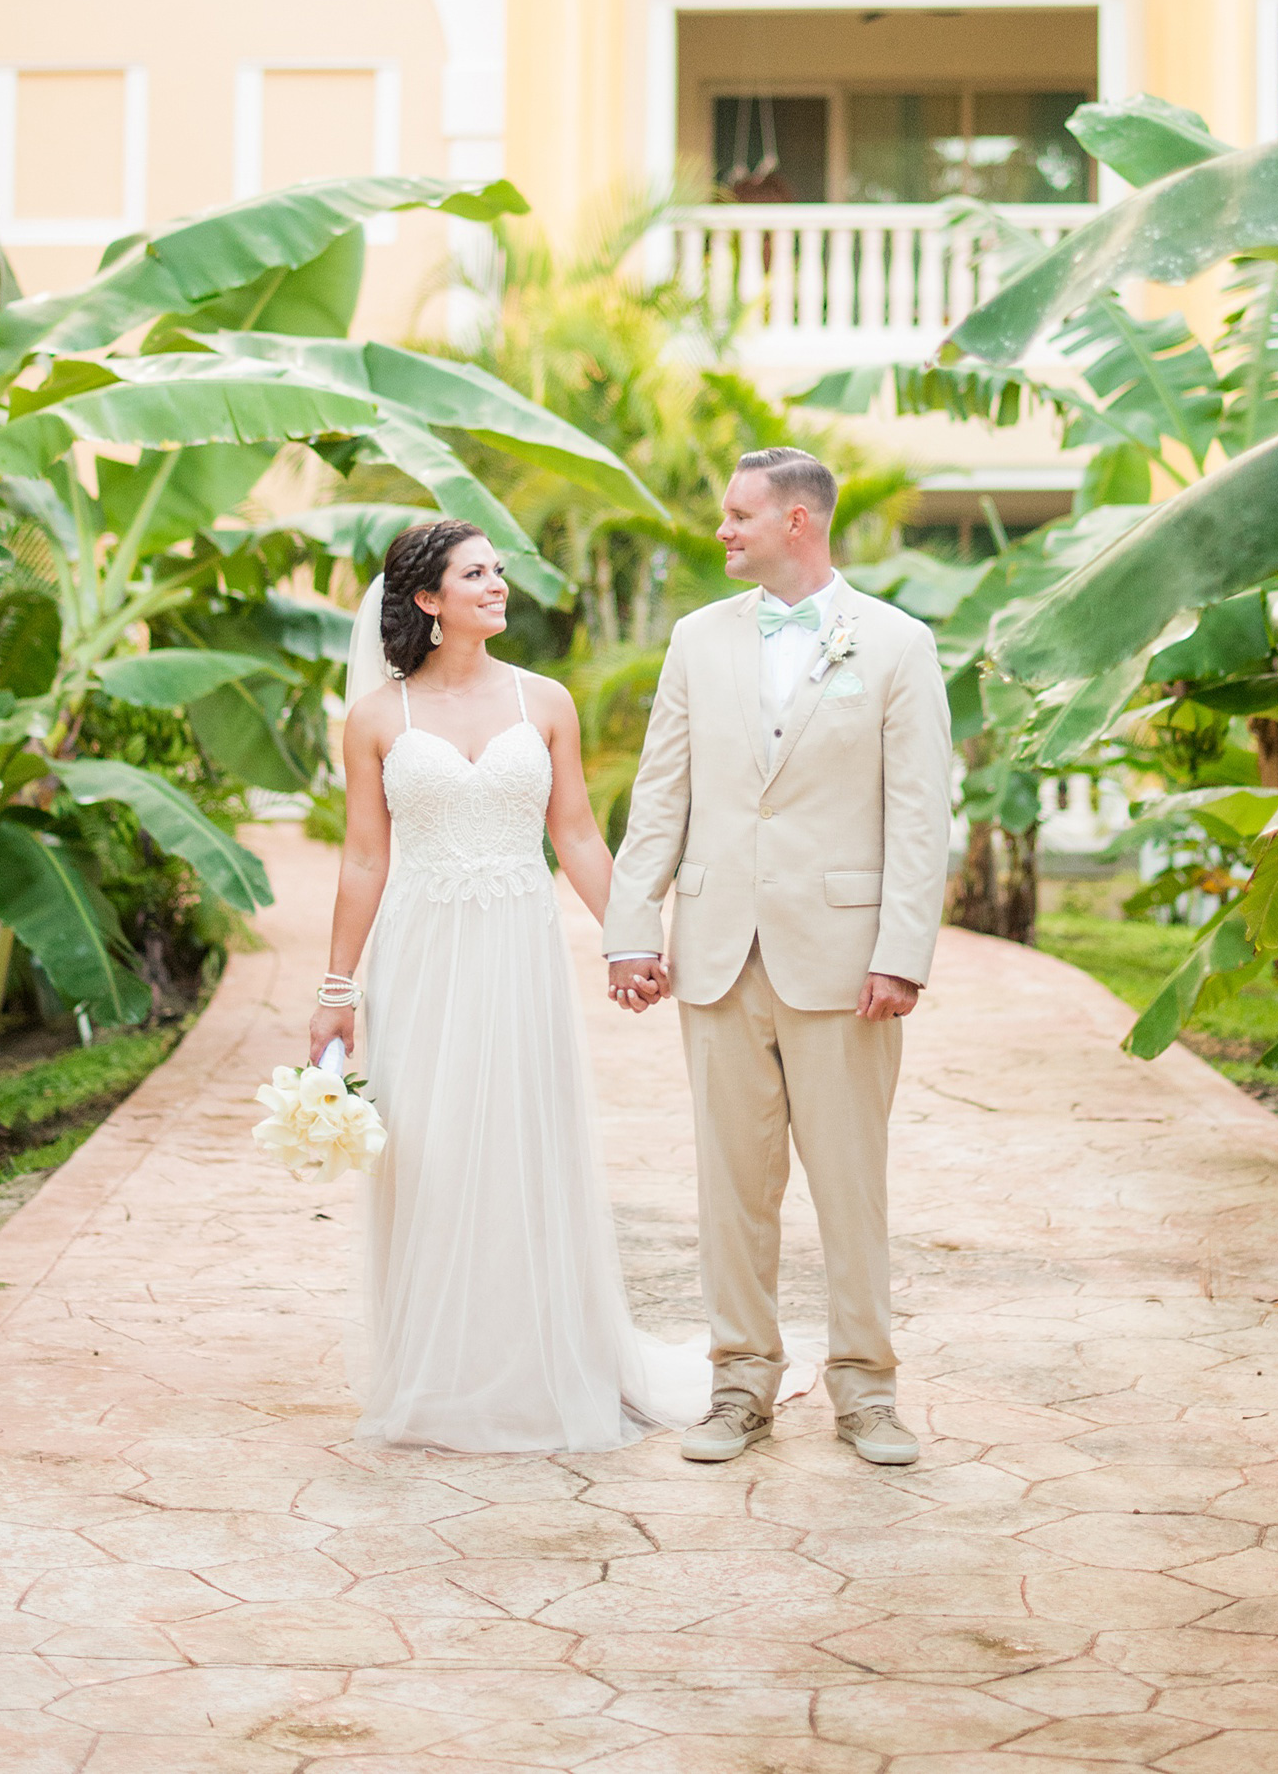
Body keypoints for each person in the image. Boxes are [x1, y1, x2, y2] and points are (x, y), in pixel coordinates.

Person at [308, 519, 715, 1453]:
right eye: (476, 573)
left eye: (498, 570)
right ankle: (439, 1375)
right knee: (435, 1150)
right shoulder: (377, 719)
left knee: (523, 1139)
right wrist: (339, 987)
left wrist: (633, 940)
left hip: (517, 949)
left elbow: (575, 835)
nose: (499, 585)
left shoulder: (546, 701)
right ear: (426, 600)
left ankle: (542, 1363)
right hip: (421, 955)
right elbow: (365, 860)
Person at [603, 446, 952, 1467]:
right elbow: (658, 791)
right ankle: (738, 1385)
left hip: (845, 966)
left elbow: (919, 812)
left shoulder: (895, 643)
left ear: (798, 521)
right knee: (729, 1188)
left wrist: (900, 952)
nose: (721, 529)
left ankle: (865, 1391)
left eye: (737, 513)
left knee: (851, 1185)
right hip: (714, 957)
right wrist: (633, 926)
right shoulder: (694, 639)